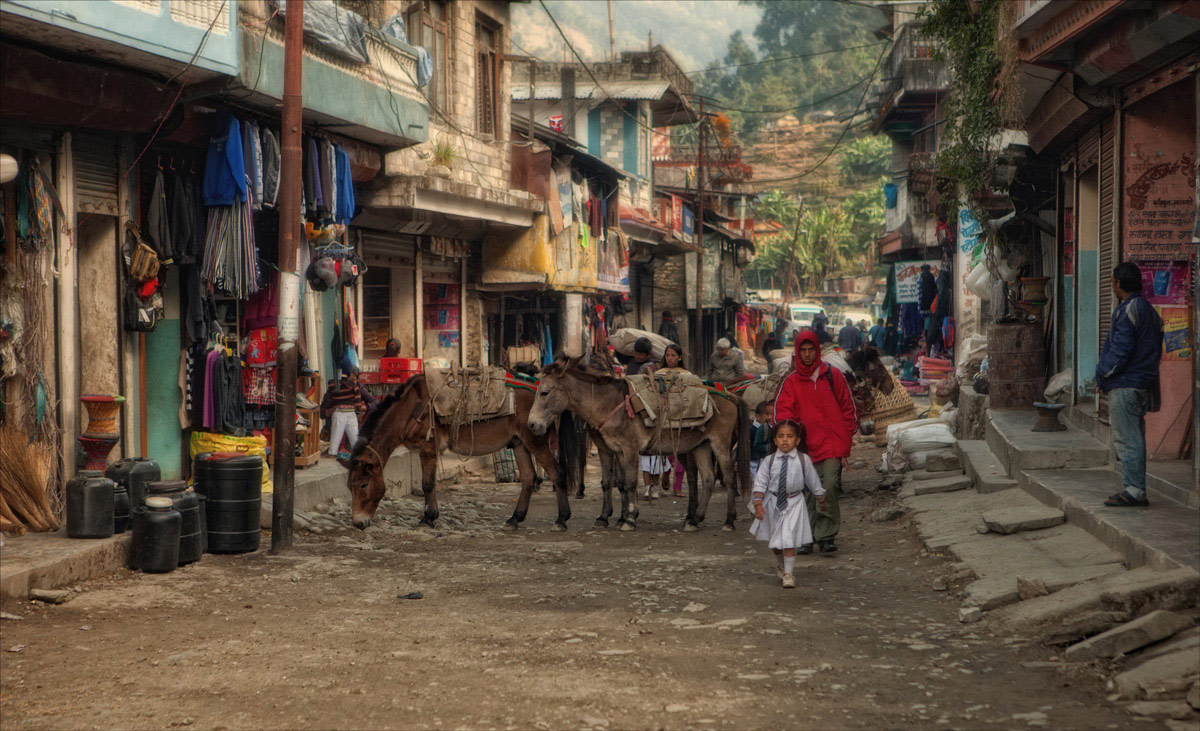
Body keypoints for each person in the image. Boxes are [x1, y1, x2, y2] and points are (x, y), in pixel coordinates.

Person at [773, 330, 857, 555]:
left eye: (811, 350)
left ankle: (826, 536)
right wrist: (791, 437)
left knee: (828, 487)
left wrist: (846, 438)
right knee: (806, 492)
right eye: (803, 350)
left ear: (817, 351)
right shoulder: (791, 382)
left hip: (832, 444)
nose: (808, 355)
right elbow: (782, 414)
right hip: (804, 447)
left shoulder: (833, 375)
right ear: (798, 353)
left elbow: (848, 408)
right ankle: (807, 537)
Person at [1098, 262, 1163, 508]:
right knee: (1134, 437)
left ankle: (1134, 490)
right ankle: (1134, 488)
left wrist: (1102, 375)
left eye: (1112, 282)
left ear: (1118, 284)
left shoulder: (1128, 311)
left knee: (1128, 440)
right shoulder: (1148, 310)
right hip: (1143, 383)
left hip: (1127, 385)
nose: (1112, 286)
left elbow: (1120, 351)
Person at [749, 420, 827, 589]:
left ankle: (788, 574)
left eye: (790, 436)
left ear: (797, 440)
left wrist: (820, 497)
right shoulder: (769, 461)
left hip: (794, 502)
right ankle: (781, 562)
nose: (785, 440)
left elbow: (812, 480)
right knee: (776, 544)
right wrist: (758, 504)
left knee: (789, 540)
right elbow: (760, 483)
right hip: (773, 503)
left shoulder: (803, 460)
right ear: (775, 440)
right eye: (781, 436)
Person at [655, 343, 689, 497]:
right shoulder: (658, 374)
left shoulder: (687, 375)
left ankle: (678, 487)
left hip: (682, 420)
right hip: (664, 419)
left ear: (679, 357)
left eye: (673, 355)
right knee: (667, 454)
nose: (670, 358)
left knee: (681, 456)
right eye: (667, 355)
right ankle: (666, 476)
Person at [321, 368, 374, 458]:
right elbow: (324, 408)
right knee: (338, 435)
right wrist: (328, 411)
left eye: (352, 380)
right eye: (348, 379)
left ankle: (353, 452)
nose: (350, 382)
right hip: (341, 413)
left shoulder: (357, 388)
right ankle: (334, 452)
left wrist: (364, 407)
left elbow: (372, 402)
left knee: (352, 436)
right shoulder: (340, 387)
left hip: (348, 414)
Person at [750, 399, 775, 478]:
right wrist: (768, 447)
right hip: (763, 461)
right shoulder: (762, 429)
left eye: (772, 414)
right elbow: (756, 446)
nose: (770, 417)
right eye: (767, 414)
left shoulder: (781, 429)